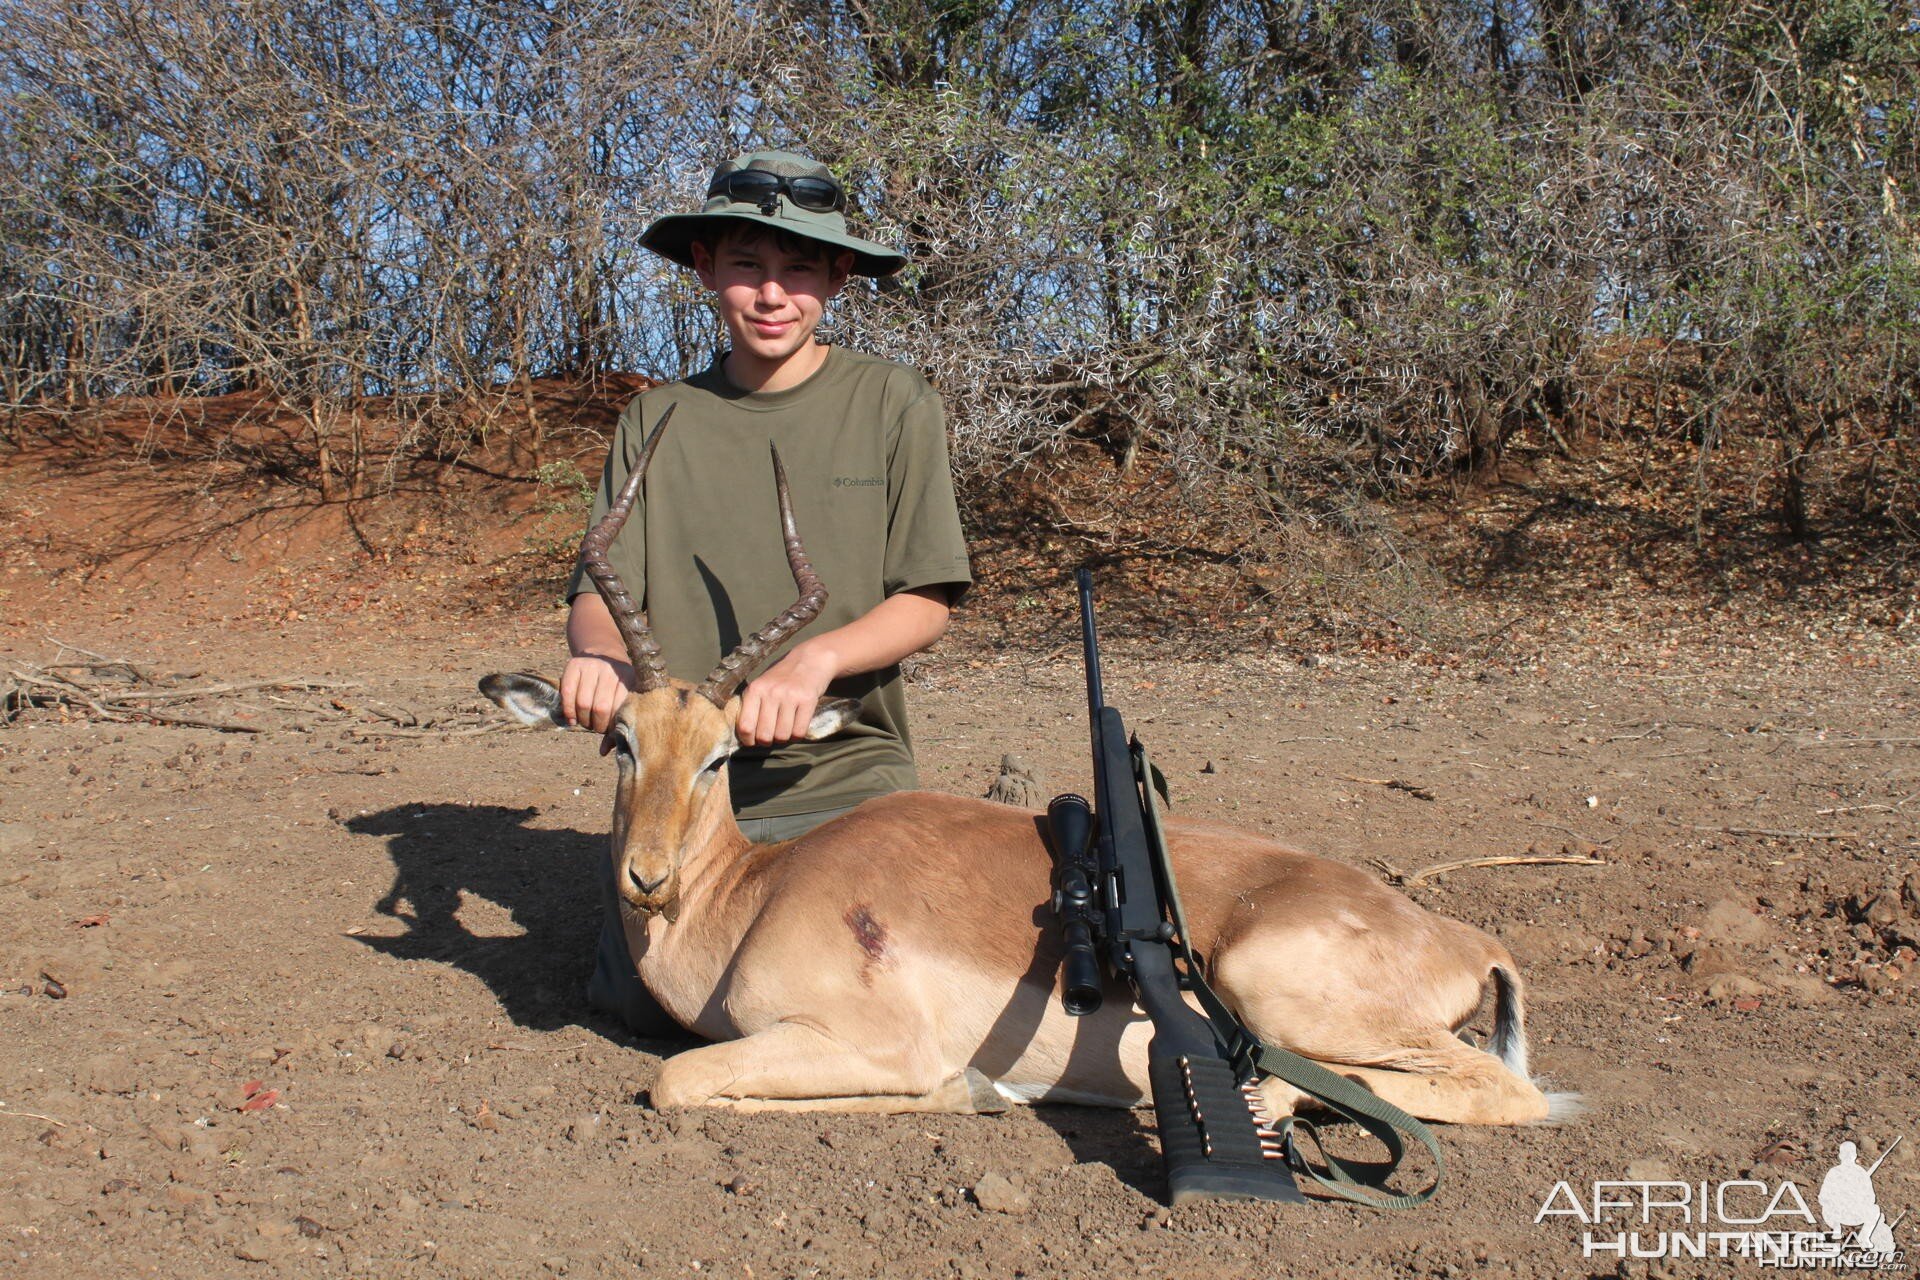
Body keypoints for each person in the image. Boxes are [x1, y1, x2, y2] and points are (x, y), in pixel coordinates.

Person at [559, 150, 973, 1035]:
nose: (772, 294)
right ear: (706, 269)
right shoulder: (656, 415)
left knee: (807, 998)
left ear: (839, 276)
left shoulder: (893, 401)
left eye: (798, 270)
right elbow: (599, 589)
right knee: (642, 1005)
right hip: (680, 780)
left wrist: (816, 661)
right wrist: (593, 661)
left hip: (838, 770)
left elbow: (928, 598)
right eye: (747, 265)